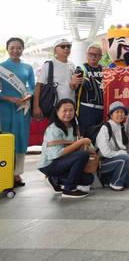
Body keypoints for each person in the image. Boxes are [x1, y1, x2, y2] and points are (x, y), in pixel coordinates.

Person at [38, 99, 94, 198]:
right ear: (57, 112)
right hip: (50, 164)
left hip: (63, 162)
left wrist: (86, 146)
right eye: (65, 110)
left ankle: (55, 180)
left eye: (71, 110)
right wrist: (79, 143)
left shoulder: (73, 127)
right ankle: (69, 189)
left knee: (88, 179)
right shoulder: (53, 129)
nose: (68, 113)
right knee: (82, 155)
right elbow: (56, 154)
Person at [0, 37, 35, 187]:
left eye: (19, 47)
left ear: (23, 49)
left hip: (22, 109)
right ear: (7, 49)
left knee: (21, 140)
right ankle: (5, 173)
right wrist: (8, 98)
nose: (16, 50)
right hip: (5, 109)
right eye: (12, 47)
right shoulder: (1, 67)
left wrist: (28, 95)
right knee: (7, 140)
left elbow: (33, 87)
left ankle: (17, 174)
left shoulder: (28, 67)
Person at [33, 39, 82, 120]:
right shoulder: (49, 65)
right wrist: (36, 107)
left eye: (69, 46)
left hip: (70, 107)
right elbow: (38, 86)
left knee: (69, 131)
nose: (66, 48)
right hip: (55, 107)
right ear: (55, 50)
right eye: (63, 46)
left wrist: (75, 84)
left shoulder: (72, 65)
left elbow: (72, 87)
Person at [95, 101, 129, 191]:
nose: (120, 115)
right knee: (126, 158)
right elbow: (105, 153)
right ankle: (115, 183)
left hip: (115, 161)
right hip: (103, 163)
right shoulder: (105, 128)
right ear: (111, 115)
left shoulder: (121, 127)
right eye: (117, 112)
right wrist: (122, 153)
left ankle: (107, 179)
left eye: (122, 112)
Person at [74, 44, 104, 137]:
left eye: (96, 55)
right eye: (90, 54)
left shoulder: (105, 70)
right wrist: (76, 82)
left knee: (100, 136)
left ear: (100, 56)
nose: (93, 56)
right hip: (86, 109)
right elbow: (74, 87)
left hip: (103, 109)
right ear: (86, 54)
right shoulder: (81, 69)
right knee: (85, 136)